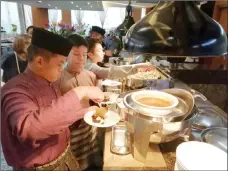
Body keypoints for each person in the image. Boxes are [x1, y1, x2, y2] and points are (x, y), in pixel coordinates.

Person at [1, 27, 104, 171]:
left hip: (65, 157)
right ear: (39, 61)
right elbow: (29, 128)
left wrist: (85, 110)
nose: (62, 69)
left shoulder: (48, 80)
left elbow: (55, 115)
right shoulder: (15, 90)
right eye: (60, 64)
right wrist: (80, 91)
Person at [60, 34, 102, 171]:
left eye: (84, 54)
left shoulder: (90, 75)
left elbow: (95, 100)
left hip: (89, 131)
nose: (81, 59)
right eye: (76, 54)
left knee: (92, 160)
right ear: (66, 54)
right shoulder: (58, 78)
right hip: (71, 133)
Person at [85, 39, 153, 79]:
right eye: (99, 50)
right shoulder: (90, 67)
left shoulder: (90, 64)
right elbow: (111, 72)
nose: (103, 53)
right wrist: (138, 67)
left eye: (102, 50)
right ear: (90, 54)